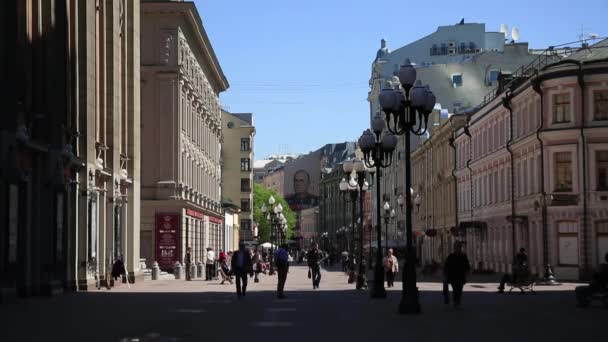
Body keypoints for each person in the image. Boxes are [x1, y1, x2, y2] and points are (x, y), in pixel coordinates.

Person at [444, 241, 471, 309]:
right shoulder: (451, 256)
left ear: (460, 248)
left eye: (458, 247)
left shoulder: (463, 256)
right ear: (454, 248)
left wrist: (467, 272)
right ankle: (456, 302)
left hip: (461, 276)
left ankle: (457, 301)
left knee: (459, 289)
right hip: (452, 276)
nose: (457, 248)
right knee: (455, 289)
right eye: (456, 247)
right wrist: (445, 274)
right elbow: (446, 266)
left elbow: (467, 266)